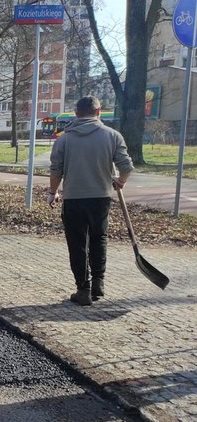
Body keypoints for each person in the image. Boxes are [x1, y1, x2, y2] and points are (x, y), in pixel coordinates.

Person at [48, 95, 134, 306]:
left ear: (76, 114)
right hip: (101, 198)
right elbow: (126, 166)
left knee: (77, 245)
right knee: (98, 238)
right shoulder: (112, 136)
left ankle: (83, 289)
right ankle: (98, 282)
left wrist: (53, 192)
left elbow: (56, 169)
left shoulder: (64, 139)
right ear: (98, 112)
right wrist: (120, 181)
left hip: (74, 199)